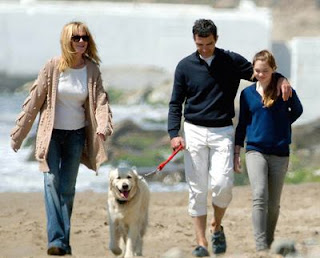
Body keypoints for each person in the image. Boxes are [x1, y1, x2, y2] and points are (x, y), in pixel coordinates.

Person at [167, 19, 291, 257]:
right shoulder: (184, 66)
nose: (204, 48)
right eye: (200, 44)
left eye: (209, 44)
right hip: (192, 129)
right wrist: (174, 134)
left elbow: (261, 74)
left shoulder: (231, 61)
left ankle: (216, 225)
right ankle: (202, 242)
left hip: (223, 130)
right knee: (197, 189)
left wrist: (282, 78)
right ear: (194, 40)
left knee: (223, 186)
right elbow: (175, 103)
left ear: (217, 39)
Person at [10, 21, 113, 256]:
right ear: (66, 40)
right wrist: (18, 135)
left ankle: (63, 243)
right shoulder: (53, 67)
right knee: (50, 182)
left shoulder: (92, 69)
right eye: (75, 37)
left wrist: (103, 127)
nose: (80, 42)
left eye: (84, 37)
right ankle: (56, 239)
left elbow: (100, 102)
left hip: (76, 136)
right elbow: (34, 100)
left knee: (67, 188)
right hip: (52, 135)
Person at [234, 50, 303, 252]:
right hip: (255, 150)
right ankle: (260, 245)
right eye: (257, 71)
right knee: (259, 194)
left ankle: (270, 241)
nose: (261, 74)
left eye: (265, 70)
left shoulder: (284, 89)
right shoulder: (247, 94)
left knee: (273, 204)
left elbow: (297, 110)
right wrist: (237, 149)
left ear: (273, 69)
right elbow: (242, 123)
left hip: (280, 152)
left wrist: (282, 125)